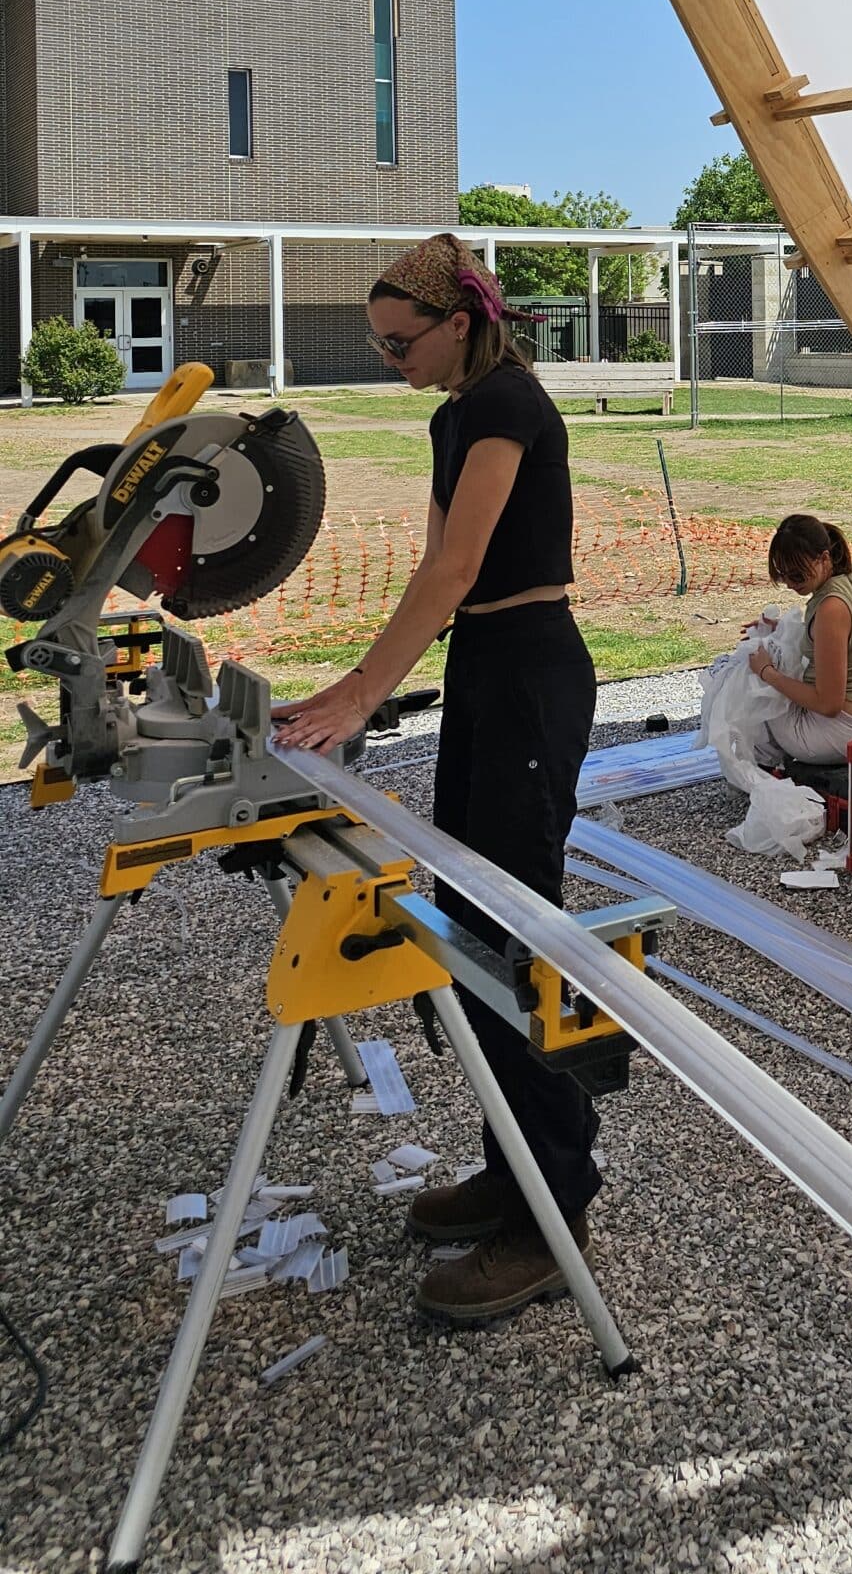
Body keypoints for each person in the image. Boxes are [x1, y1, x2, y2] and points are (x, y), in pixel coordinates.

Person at [274, 232, 599, 1325]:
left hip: (531, 674)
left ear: (459, 323)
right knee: (467, 928)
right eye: (379, 343)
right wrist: (350, 686)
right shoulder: (455, 412)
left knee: (515, 936)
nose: (389, 358)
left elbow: (460, 568)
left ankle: (554, 1211)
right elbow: (434, 570)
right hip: (487, 667)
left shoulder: (505, 402)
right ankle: (514, 1173)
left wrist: (364, 694)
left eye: (400, 341)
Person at [748, 513, 852, 765]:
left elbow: (828, 704)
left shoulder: (830, 608)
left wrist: (766, 672)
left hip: (848, 734)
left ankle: (763, 771)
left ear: (824, 558)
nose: (790, 584)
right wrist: (781, 630)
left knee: (750, 684)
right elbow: (837, 637)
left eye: (797, 575)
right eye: (782, 576)